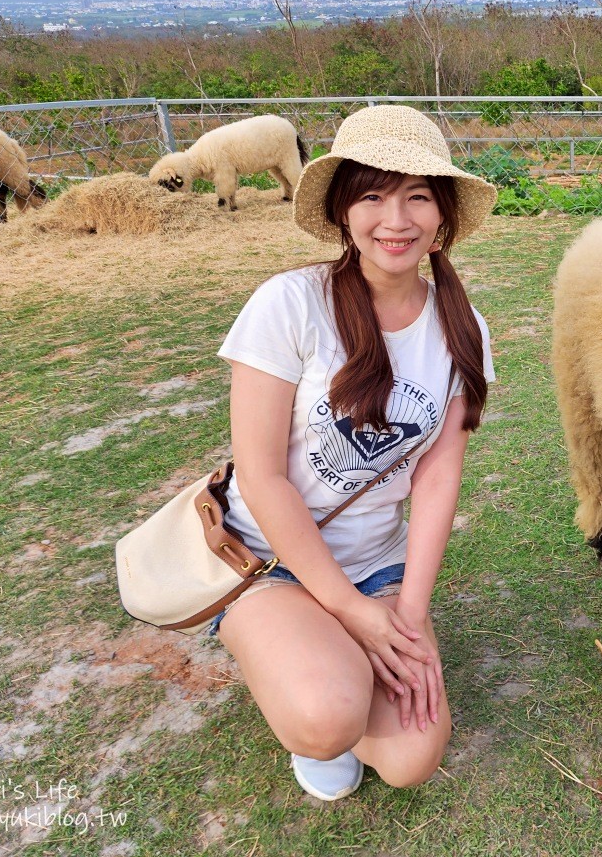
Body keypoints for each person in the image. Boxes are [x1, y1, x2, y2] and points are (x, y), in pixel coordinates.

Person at [207, 104, 497, 801]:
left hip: (375, 564)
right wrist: (348, 609)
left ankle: (332, 663)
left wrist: (411, 613)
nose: (394, 219)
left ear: (443, 217)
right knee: (326, 715)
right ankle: (306, 687)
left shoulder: (464, 329)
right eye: (371, 193)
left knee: (412, 758)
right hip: (267, 560)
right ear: (343, 211)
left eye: (417, 196)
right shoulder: (289, 305)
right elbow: (264, 475)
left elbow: (437, 475)